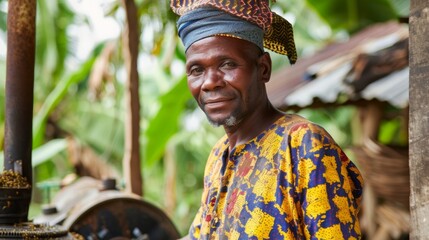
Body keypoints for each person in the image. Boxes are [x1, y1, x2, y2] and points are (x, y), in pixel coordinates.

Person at [170, 0, 363, 239]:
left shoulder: (303, 145)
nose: (210, 82)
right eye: (197, 70)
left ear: (263, 68)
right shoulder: (218, 156)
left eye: (227, 64)